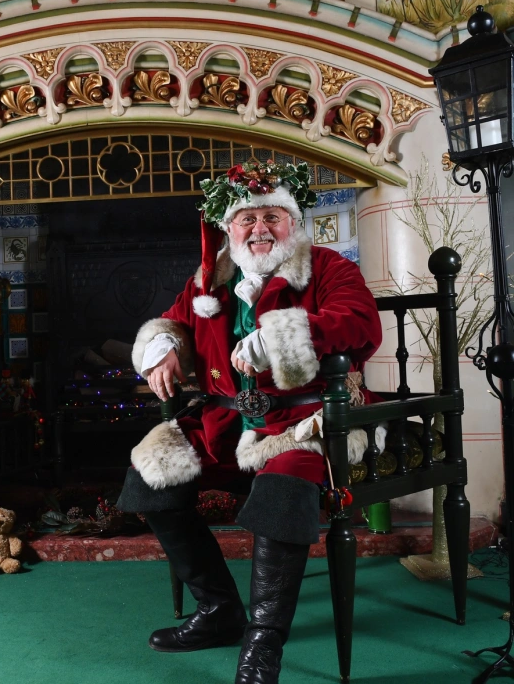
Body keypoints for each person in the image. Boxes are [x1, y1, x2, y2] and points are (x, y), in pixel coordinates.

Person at [116, 160, 382, 683]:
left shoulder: (327, 267)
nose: (260, 228)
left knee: (282, 491)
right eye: (247, 219)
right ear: (229, 228)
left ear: (293, 222)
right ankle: (219, 610)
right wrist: (163, 345)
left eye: (272, 217)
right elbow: (173, 321)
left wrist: (281, 336)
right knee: (149, 477)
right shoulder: (210, 279)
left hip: (306, 421)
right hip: (227, 421)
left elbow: (359, 322)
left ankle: (263, 640)